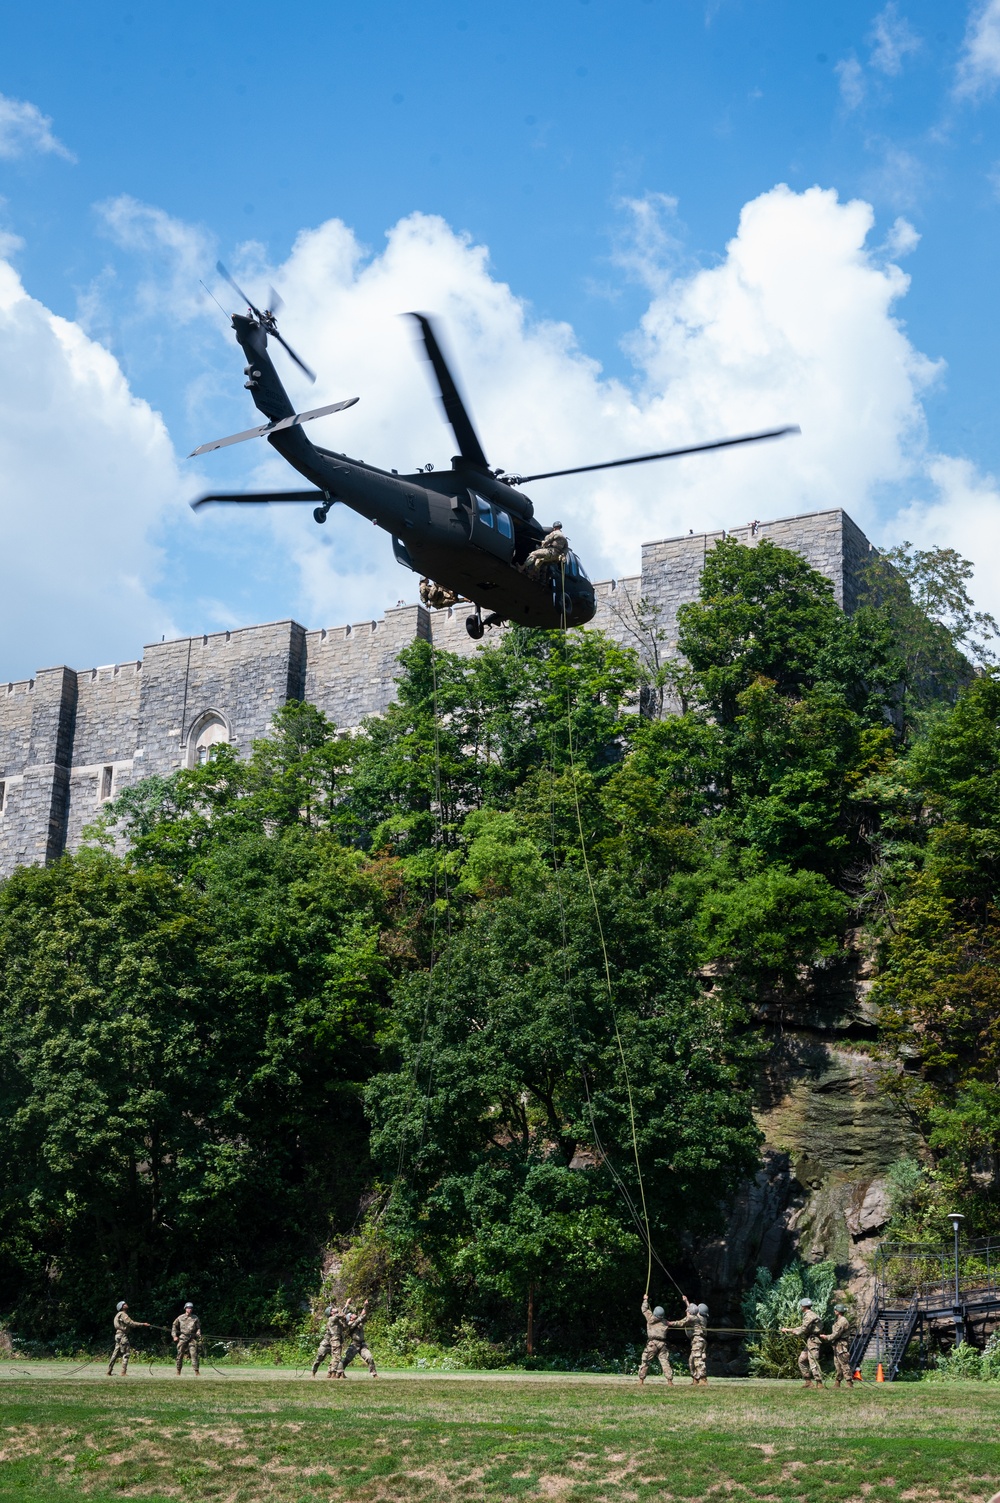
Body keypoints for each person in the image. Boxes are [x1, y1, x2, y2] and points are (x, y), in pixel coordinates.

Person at [781, 1297, 824, 1388]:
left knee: (813, 1362)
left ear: (803, 1306)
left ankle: (819, 1383)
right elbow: (803, 1327)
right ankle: (808, 1382)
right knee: (802, 1360)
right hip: (810, 1340)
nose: (800, 1307)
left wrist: (793, 1332)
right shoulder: (808, 1315)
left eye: (801, 1305)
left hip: (813, 1341)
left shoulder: (809, 1315)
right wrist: (788, 1330)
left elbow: (803, 1329)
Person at [668, 1297, 709, 1385]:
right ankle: (695, 1379)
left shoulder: (699, 1318)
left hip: (698, 1340)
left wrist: (669, 1323)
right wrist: (687, 1301)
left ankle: (703, 1379)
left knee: (698, 1360)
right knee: (692, 1360)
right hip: (699, 1341)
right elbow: (692, 1311)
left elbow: (688, 1316)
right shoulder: (700, 1317)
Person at [637, 1295, 673, 1386]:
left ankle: (641, 1380)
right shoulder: (665, 1322)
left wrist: (645, 1300)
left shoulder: (650, 1318)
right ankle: (670, 1381)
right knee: (665, 1362)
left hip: (652, 1343)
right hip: (662, 1344)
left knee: (645, 1361)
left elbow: (644, 1309)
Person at [107, 1301, 150, 1377]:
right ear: (122, 1307)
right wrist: (143, 1324)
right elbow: (131, 1323)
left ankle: (109, 1371)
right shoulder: (123, 1314)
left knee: (115, 1354)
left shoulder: (117, 1315)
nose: (127, 1305)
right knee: (126, 1353)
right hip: (123, 1335)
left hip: (118, 1335)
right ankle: (123, 1372)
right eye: (125, 1304)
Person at [312, 1302, 351, 1379]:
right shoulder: (332, 1318)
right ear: (331, 1313)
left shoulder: (338, 1320)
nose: (335, 1309)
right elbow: (342, 1314)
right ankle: (313, 1373)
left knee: (337, 1358)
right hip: (326, 1343)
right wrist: (346, 1304)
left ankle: (335, 1374)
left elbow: (343, 1320)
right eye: (332, 1309)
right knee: (319, 1358)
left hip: (334, 1341)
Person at [339, 1300, 378, 1377]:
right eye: (352, 1315)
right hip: (355, 1344)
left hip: (362, 1344)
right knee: (347, 1360)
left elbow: (364, 1314)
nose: (354, 1314)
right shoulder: (349, 1324)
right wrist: (347, 1304)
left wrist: (365, 1306)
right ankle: (340, 1372)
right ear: (350, 1318)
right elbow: (358, 1319)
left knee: (369, 1358)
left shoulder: (358, 1321)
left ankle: (374, 1374)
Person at [821, 1304, 853, 1388]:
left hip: (841, 1345)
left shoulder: (842, 1321)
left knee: (843, 1363)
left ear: (838, 1311)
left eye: (835, 1310)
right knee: (837, 1364)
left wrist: (826, 1337)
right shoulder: (838, 1320)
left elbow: (836, 1334)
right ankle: (837, 1382)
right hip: (837, 1345)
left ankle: (849, 1382)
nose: (834, 1311)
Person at [171, 1302, 202, 1377]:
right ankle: (178, 1371)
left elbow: (198, 1328)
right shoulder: (180, 1317)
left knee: (194, 1355)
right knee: (179, 1355)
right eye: (188, 1308)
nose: (190, 1309)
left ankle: (197, 1372)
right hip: (182, 1338)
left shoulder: (195, 1318)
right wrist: (174, 1336)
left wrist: (198, 1333)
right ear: (185, 1308)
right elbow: (174, 1327)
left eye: (191, 1308)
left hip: (192, 1338)